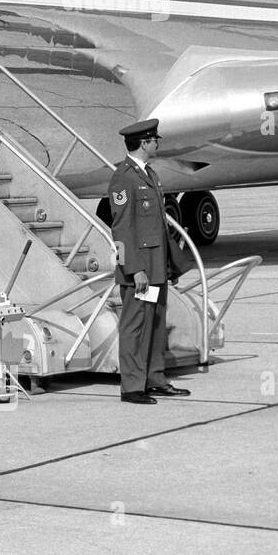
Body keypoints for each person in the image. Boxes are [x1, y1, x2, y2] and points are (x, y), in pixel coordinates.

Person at [107, 118, 191, 405]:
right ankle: (132, 387)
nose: (157, 143)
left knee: (156, 323)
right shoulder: (124, 178)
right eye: (155, 140)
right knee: (135, 326)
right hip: (140, 270)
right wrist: (135, 269)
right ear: (144, 143)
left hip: (156, 267)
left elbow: (157, 226)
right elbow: (121, 229)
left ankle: (154, 378)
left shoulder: (150, 175)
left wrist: (168, 265)